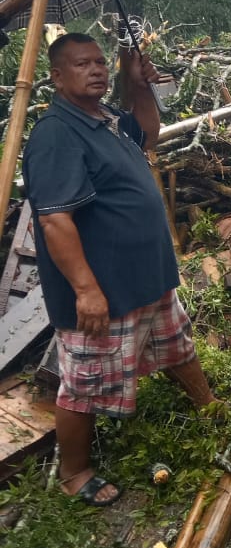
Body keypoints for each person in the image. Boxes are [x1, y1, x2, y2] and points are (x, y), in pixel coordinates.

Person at [22, 33, 218, 507]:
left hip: (146, 277)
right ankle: (75, 471)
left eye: (99, 62)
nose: (95, 70)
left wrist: (139, 84)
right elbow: (55, 220)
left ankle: (209, 407)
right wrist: (86, 290)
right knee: (86, 383)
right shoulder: (56, 134)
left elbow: (147, 133)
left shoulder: (105, 118)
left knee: (176, 345)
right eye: (82, 64)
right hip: (105, 290)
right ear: (56, 75)